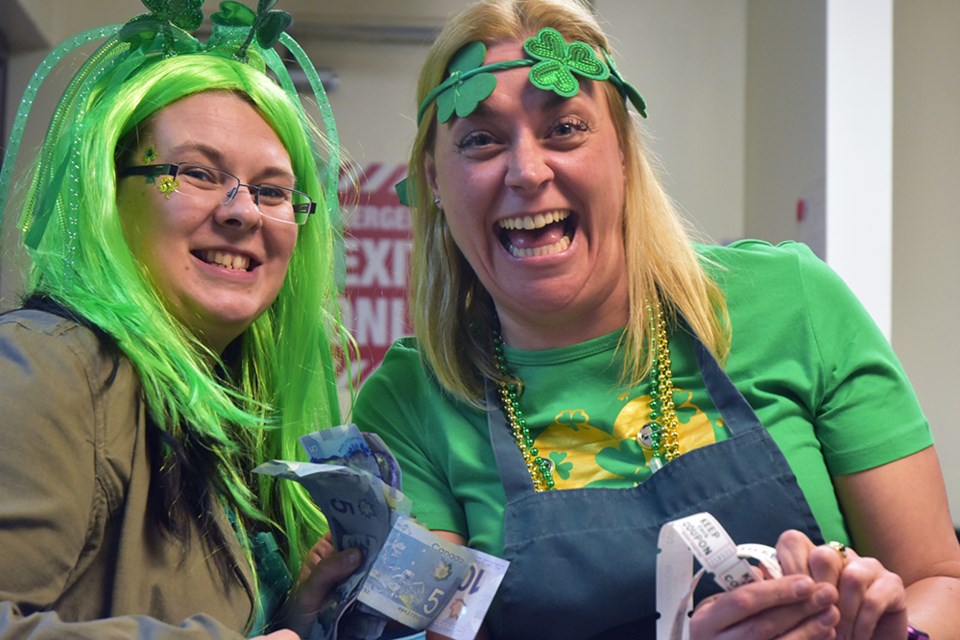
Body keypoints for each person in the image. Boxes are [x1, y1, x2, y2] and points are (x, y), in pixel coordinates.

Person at [353, 0, 960, 638]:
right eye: (480, 140)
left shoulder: (791, 303)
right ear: (434, 182)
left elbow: (939, 580)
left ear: (621, 153)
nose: (528, 171)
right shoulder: (409, 407)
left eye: (565, 128)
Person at [0, 1, 360, 638]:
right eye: (196, 172)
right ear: (112, 193)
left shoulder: (227, 412)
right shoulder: (46, 366)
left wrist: (293, 617)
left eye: (272, 190)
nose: (242, 212)